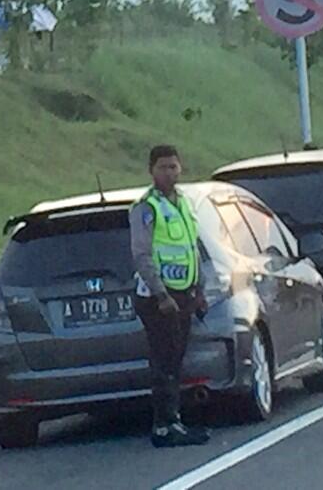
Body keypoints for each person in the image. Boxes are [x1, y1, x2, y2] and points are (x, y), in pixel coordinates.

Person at [130, 145, 210, 448]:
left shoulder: (184, 205)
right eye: (163, 167)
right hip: (158, 298)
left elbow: (193, 249)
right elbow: (142, 254)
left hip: (184, 294)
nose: (169, 173)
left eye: (174, 167)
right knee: (164, 362)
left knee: (175, 360)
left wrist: (199, 289)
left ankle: (173, 421)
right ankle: (165, 426)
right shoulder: (146, 208)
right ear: (151, 170)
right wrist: (161, 294)